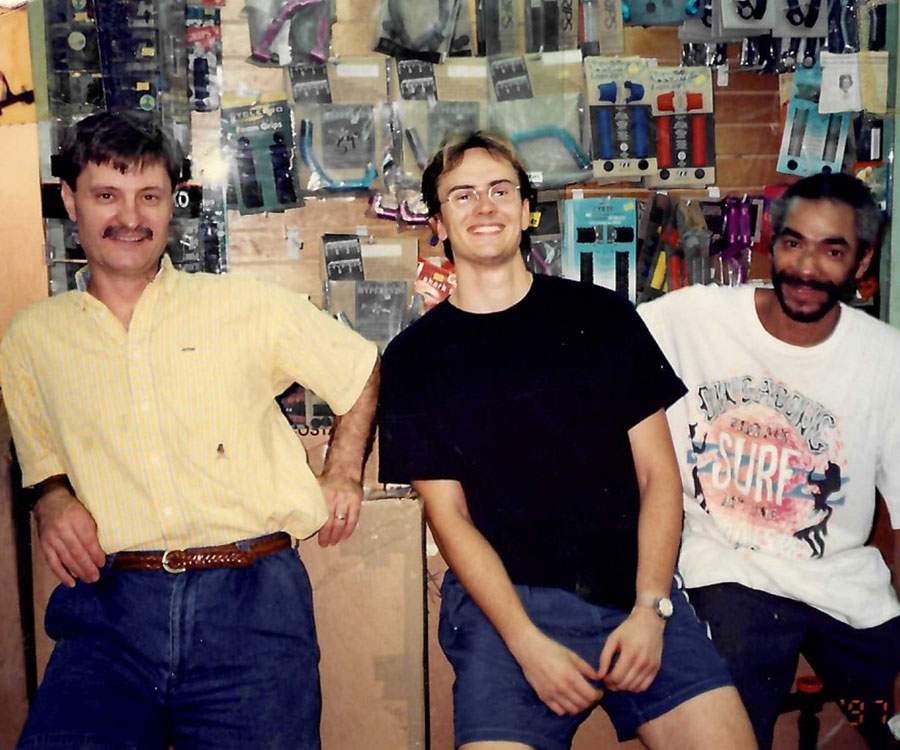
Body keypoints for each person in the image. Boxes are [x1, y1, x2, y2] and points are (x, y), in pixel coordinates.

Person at [0, 110, 379, 749]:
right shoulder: (30, 339)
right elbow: (42, 464)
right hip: (108, 614)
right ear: (70, 201)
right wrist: (52, 496)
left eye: (149, 196)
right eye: (106, 196)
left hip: (252, 605)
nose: (130, 217)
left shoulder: (242, 305)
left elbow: (359, 365)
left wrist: (343, 470)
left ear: (171, 204)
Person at [377, 131, 756, 750]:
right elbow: (450, 519)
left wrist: (651, 609)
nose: (485, 206)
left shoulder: (603, 319)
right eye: (462, 195)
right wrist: (526, 645)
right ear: (439, 224)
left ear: (529, 209)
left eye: (501, 190)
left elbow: (660, 477)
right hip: (508, 614)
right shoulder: (415, 358)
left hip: (633, 595)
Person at [638, 172, 900, 749]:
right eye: (793, 243)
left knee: (884, 719)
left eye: (832, 251)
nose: (806, 268)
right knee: (731, 716)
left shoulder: (886, 359)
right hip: (728, 571)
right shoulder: (691, 318)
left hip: (841, 583)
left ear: (863, 262)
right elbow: (590, 355)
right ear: (767, 242)